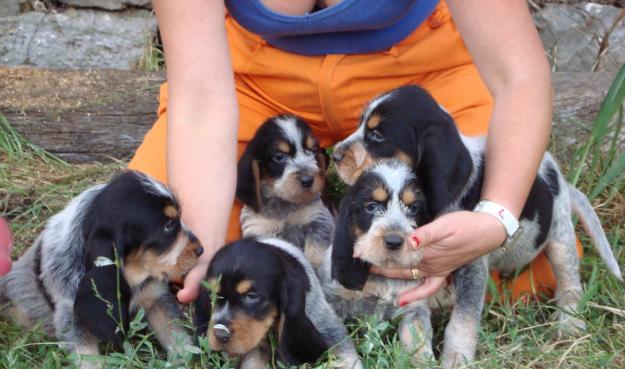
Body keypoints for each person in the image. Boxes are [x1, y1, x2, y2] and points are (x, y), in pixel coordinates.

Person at [129, 0, 561, 306]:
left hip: (422, 77)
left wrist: (496, 216)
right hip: (254, 81)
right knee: (150, 257)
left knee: (513, 266)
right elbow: (201, 98)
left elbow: (518, 74)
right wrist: (199, 250)